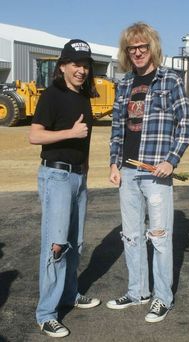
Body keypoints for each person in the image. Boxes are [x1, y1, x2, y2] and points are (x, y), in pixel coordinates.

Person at [107, 22, 189, 323]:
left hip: (156, 172)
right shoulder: (124, 84)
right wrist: (113, 163)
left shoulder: (171, 80)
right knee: (130, 236)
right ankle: (137, 291)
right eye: (133, 48)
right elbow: (117, 129)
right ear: (127, 52)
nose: (138, 52)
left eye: (143, 47)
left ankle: (162, 298)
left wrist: (172, 160)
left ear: (152, 47)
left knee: (159, 236)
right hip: (128, 172)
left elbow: (186, 125)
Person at [29, 39, 101, 338]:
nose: (81, 70)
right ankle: (46, 314)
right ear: (62, 66)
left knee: (75, 242)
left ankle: (70, 293)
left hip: (77, 178)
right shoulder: (52, 95)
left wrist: (84, 166)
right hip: (56, 178)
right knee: (56, 246)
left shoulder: (83, 97)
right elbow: (34, 136)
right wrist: (70, 132)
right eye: (75, 64)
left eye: (85, 65)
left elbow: (83, 139)